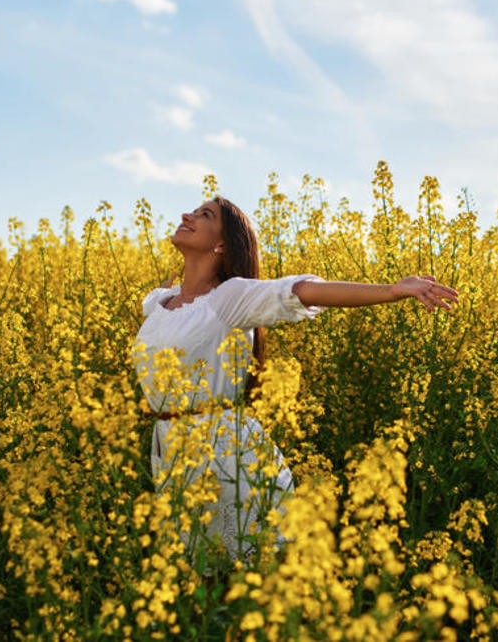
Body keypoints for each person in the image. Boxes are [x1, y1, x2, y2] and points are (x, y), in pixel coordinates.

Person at [133, 194, 458, 570]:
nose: (187, 214)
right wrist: (173, 296)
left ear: (222, 244)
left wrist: (390, 291)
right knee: (203, 585)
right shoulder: (161, 302)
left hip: (219, 452)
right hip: (170, 448)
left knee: (248, 580)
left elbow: (302, 291)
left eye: (205, 215)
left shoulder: (229, 297)